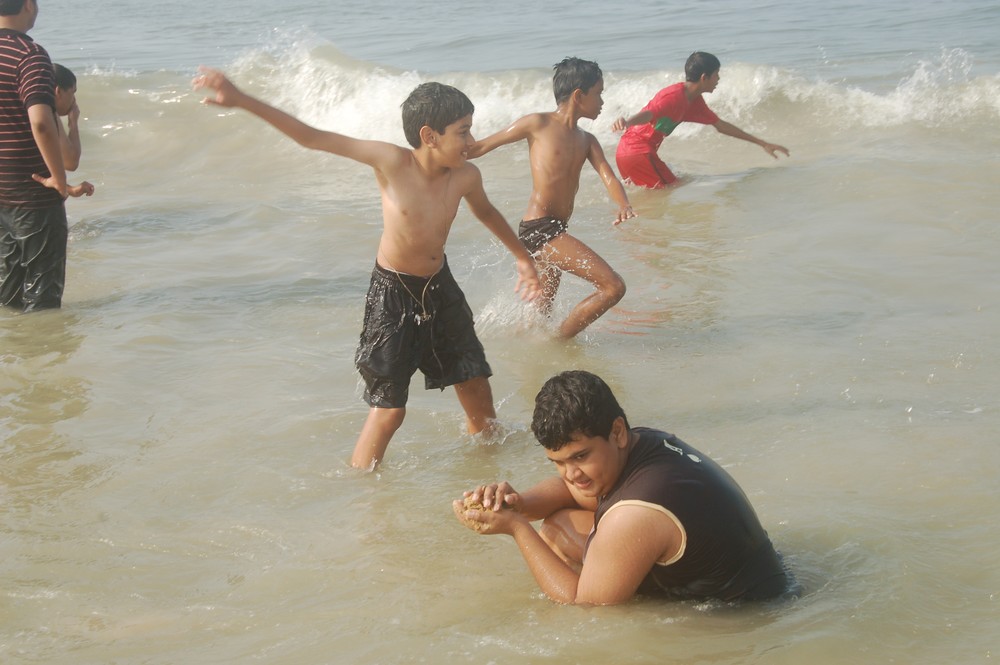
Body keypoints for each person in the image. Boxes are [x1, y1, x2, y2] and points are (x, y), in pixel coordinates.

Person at [192, 68, 541, 470]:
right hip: (393, 294)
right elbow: (312, 138)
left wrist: (522, 257)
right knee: (390, 410)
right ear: (430, 136)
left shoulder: (466, 176)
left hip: (439, 287)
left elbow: (486, 212)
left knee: (474, 382)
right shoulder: (392, 162)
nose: (472, 141)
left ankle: (487, 463)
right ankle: (363, 488)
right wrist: (241, 100)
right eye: (463, 132)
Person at [454, 370, 790, 605]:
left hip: (742, 616)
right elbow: (573, 491)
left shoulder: (635, 513)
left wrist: (518, 529)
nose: (571, 473)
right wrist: (519, 503)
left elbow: (585, 607)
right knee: (558, 522)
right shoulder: (642, 442)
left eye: (580, 456)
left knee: (556, 536)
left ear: (616, 432)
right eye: (558, 462)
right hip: (761, 575)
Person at [469, 58, 634, 339]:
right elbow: (480, 147)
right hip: (540, 229)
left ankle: (530, 349)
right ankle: (560, 342)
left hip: (557, 229)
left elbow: (608, 176)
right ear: (579, 95)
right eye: (599, 93)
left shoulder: (587, 140)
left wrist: (623, 204)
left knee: (540, 312)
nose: (603, 102)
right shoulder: (538, 123)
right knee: (613, 287)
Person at [0, 0, 94, 312]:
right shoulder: (29, 55)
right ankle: (41, 344)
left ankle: (13, 342)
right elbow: (40, 122)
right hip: (32, 194)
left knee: (9, 289)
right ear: (28, 5)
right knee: (43, 294)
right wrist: (58, 179)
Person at [613, 51, 790, 188]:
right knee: (663, 195)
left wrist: (762, 143)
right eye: (716, 74)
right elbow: (650, 114)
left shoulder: (694, 102)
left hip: (637, 153)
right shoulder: (673, 96)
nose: (718, 79)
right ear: (704, 77)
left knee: (672, 188)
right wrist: (627, 122)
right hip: (637, 152)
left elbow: (721, 126)